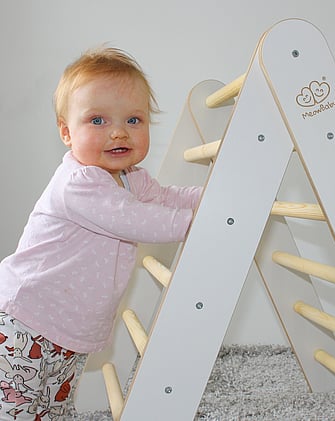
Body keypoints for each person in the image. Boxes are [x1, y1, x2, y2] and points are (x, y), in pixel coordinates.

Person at [0, 47, 202, 419]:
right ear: (66, 132)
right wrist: (194, 224)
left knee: (55, 407)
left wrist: (210, 200)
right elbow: (134, 218)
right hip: (24, 320)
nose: (118, 132)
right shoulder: (78, 182)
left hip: (67, 328)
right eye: (97, 120)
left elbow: (166, 197)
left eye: (134, 119)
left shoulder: (131, 178)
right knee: (17, 409)